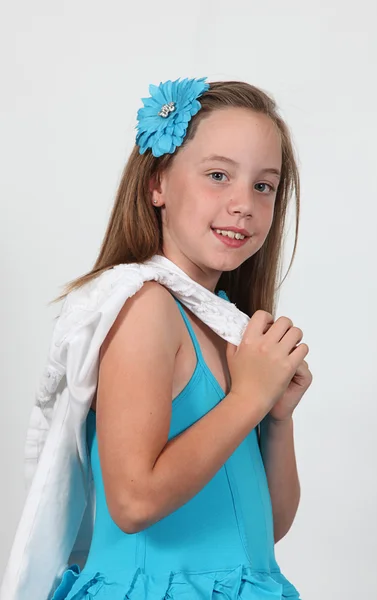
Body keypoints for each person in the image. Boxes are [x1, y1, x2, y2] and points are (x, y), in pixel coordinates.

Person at [7, 76, 313, 599]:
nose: (244, 203)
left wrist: (276, 416)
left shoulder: (226, 325)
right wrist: (247, 398)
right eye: (218, 175)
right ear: (158, 184)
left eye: (264, 186)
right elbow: (133, 502)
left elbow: (271, 525)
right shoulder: (146, 307)